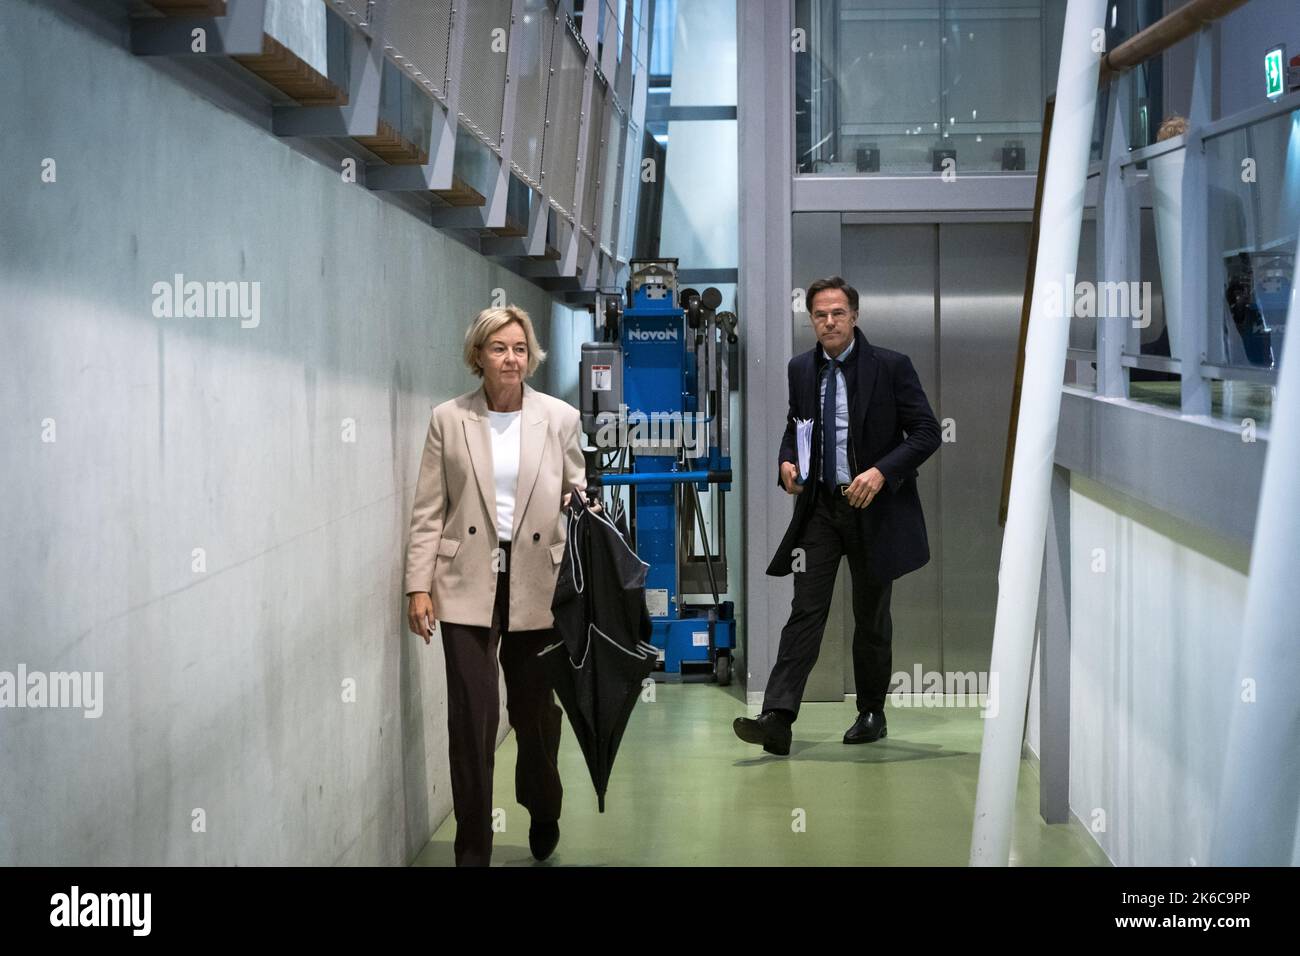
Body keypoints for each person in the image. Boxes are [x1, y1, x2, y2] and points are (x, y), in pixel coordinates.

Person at [404, 305, 586, 865]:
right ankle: (472, 848)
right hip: (464, 584)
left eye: (520, 349)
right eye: (500, 348)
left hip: (539, 583)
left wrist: (577, 500)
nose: (512, 358)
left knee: (533, 716)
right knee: (471, 721)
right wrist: (417, 585)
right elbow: (429, 511)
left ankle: (543, 802)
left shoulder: (559, 418)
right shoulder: (447, 419)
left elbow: (579, 491)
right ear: (478, 355)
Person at [734, 276, 940, 756]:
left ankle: (871, 712)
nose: (829, 322)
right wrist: (786, 461)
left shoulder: (891, 366)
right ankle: (777, 719)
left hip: (874, 510)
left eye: (838, 313)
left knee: (871, 616)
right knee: (805, 609)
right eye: (820, 315)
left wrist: (881, 473)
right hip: (822, 510)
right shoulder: (801, 369)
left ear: (854, 316)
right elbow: (795, 426)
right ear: (811, 320)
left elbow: (927, 432)